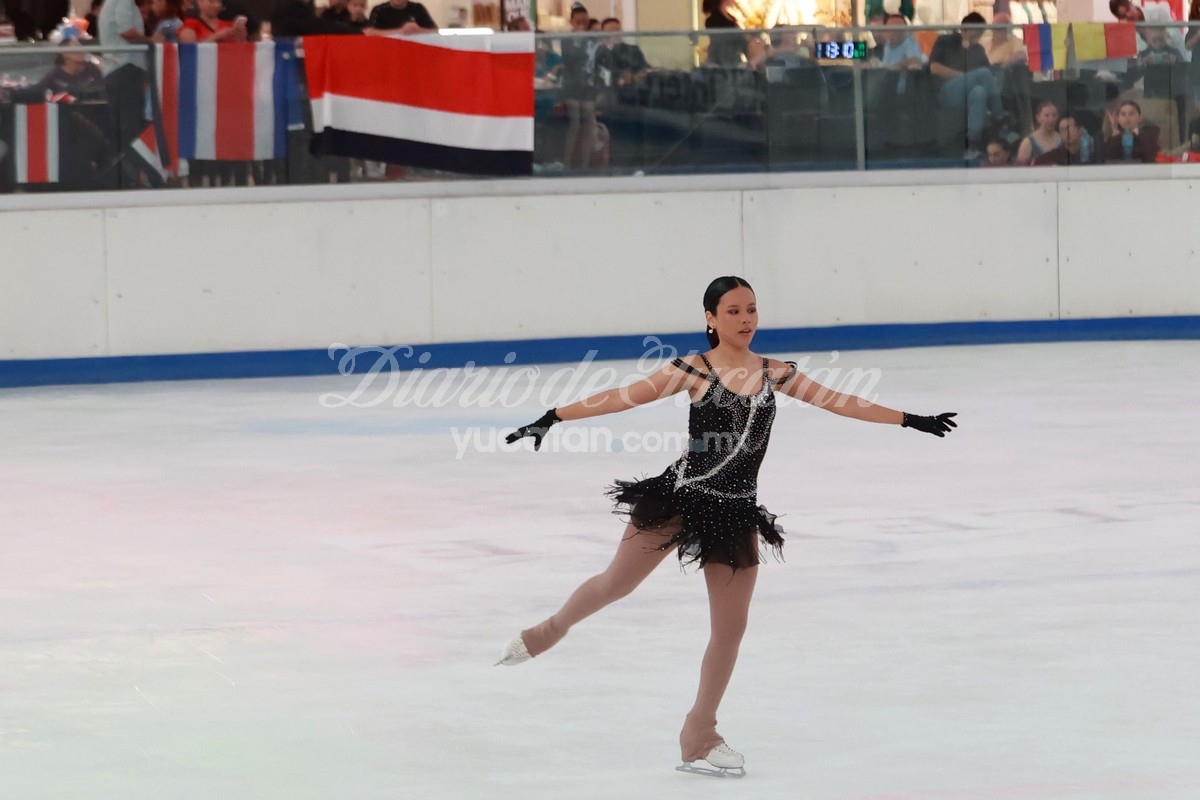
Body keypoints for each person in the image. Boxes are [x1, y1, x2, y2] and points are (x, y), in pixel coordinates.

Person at [497, 276, 958, 777]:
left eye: (752, 310)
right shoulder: (693, 370)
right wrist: (552, 416)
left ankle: (699, 734)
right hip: (678, 498)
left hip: (735, 512)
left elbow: (841, 401)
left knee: (730, 629)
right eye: (734, 311)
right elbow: (624, 396)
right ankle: (547, 631)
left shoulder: (776, 373)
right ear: (711, 319)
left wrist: (910, 419)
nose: (746, 320)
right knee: (616, 584)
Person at [929, 12, 1009, 158]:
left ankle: (972, 142)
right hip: (946, 91)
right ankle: (1001, 117)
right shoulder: (946, 41)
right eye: (974, 35)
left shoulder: (978, 50)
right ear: (964, 30)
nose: (976, 39)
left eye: (979, 35)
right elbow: (934, 67)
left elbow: (990, 77)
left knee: (979, 92)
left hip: (970, 94)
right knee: (982, 74)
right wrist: (966, 78)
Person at [560, 2, 599, 168]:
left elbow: (594, 62)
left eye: (585, 22)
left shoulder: (592, 41)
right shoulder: (566, 40)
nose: (582, 25)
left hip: (587, 85)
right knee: (575, 119)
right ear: (572, 22)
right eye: (578, 22)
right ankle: (567, 161)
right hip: (571, 85)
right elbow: (569, 60)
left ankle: (585, 163)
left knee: (590, 116)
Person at [1033, 114, 1101, 164]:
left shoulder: (1092, 152)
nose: (1066, 133)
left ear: (1080, 129)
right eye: (1062, 130)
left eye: (1068, 128)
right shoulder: (1056, 155)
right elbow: (1035, 164)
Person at [1015, 100, 1062, 164]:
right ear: (1038, 117)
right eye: (1046, 115)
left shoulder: (1063, 139)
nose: (1051, 119)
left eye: (1054, 115)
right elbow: (1020, 168)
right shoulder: (1029, 142)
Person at [179, 0, 245, 41]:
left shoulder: (229, 25)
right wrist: (217, 36)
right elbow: (191, 51)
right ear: (199, 2)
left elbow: (240, 49)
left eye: (219, 2)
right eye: (211, 1)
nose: (216, 5)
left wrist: (241, 37)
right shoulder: (190, 24)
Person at [366, 0, 436, 33]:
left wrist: (418, 30)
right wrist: (401, 32)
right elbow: (370, 32)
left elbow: (435, 31)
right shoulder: (379, 10)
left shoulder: (417, 8)